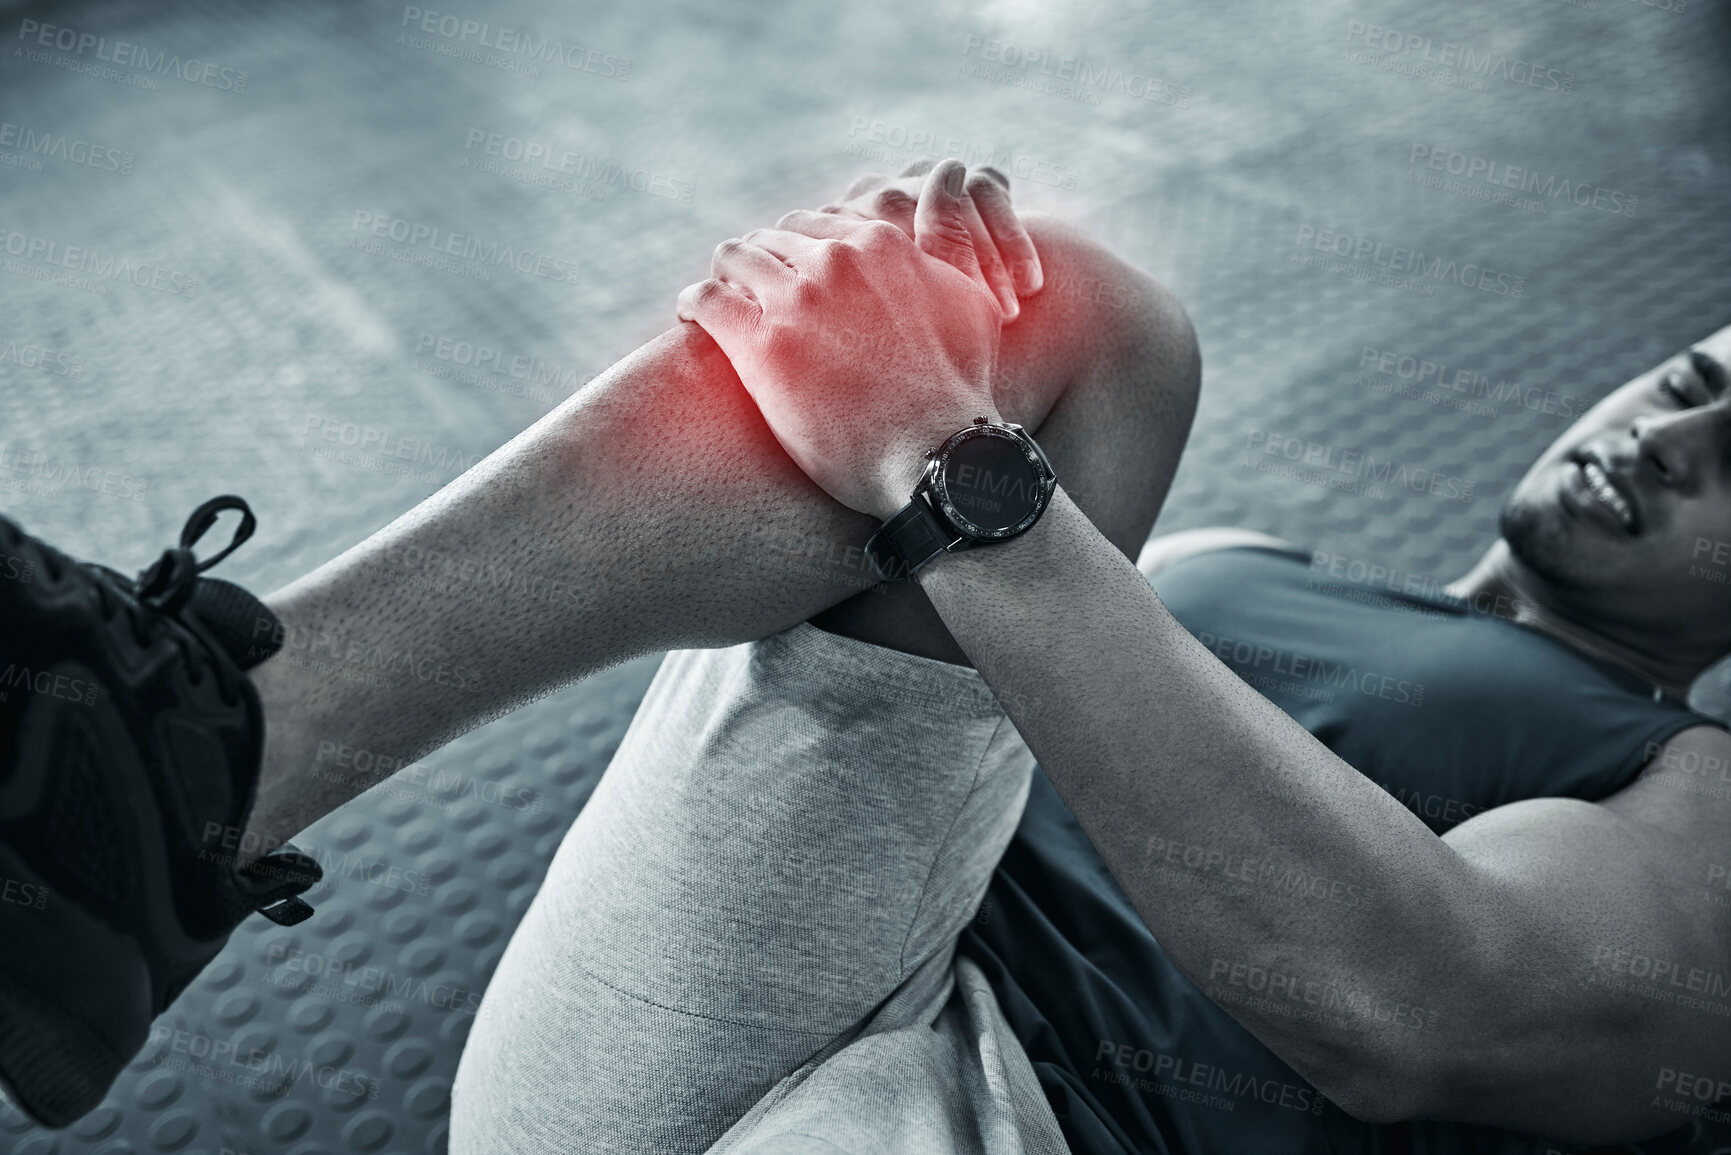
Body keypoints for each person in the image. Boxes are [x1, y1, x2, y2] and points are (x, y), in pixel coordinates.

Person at [0, 158, 1724, 1153]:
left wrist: (922, 443)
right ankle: (198, 753)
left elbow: (1416, 1014)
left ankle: (160, 780)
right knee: (1048, 303)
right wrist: (928, 378)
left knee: (1071, 344)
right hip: (727, 1021)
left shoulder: (1699, 791)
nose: (1674, 439)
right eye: (1696, 384)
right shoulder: (1235, 568)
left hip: (1010, 1134)